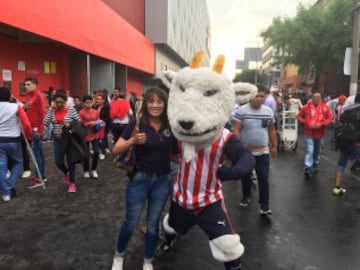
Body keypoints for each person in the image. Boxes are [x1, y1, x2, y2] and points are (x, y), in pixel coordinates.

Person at [111, 87, 178, 270]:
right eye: (151, 101)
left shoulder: (171, 126)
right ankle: (119, 256)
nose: (155, 105)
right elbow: (116, 149)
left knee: (153, 224)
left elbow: (175, 155)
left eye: (159, 102)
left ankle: (148, 260)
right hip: (139, 179)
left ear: (165, 104)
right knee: (131, 222)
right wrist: (133, 141)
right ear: (145, 103)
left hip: (163, 180)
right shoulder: (136, 122)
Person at [232, 87, 277, 214]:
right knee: (245, 176)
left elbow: (272, 129)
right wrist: (236, 148)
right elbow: (236, 129)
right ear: (251, 97)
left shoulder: (268, 111)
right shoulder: (241, 111)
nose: (259, 99)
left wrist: (274, 146)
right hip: (246, 152)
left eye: (262, 96)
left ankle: (264, 205)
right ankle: (246, 196)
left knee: (263, 177)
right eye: (256, 96)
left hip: (263, 151)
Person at [44, 90, 80, 192]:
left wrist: (70, 125)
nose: (59, 104)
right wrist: (50, 110)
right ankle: (66, 173)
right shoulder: (52, 110)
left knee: (71, 161)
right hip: (57, 139)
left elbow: (78, 123)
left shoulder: (71, 110)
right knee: (58, 161)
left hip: (69, 139)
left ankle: (72, 183)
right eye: (57, 102)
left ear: (65, 101)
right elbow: (45, 122)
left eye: (61, 102)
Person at [0, 87, 32, 201]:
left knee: (1, 167)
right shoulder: (16, 106)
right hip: (14, 140)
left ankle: (5, 193)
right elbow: (27, 124)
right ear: (10, 96)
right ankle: (9, 186)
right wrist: (28, 136)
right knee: (18, 162)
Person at [296, 92, 333, 179]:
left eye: (318, 97)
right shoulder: (306, 107)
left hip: (320, 134)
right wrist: (306, 122)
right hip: (309, 133)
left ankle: (315, 164)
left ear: (321, 98)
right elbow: (298, 116)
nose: (316, 99)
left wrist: (322, 124)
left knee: (317, 151)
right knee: (310, 150)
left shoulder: (325, 107)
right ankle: (308, 167)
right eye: (314, 97)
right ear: (312, 98)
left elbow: (330, 118)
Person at [332, 93, 360, 195]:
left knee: (341, 163)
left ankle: (337, 187)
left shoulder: (347, 109)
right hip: (356, 142)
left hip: (344, 140)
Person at [23, 77, 48, 188]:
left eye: (28, 84)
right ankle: (41, 175)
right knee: (39, 153)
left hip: (36, 130)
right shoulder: (30, 97)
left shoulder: (39, 96)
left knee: (37, 154)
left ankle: (39, 178)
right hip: (32, 129)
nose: (25, 86)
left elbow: (43, 113)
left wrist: (41, 129)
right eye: (25, 84)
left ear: (34, 85)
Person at [79, 95, 103, 179]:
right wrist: (88, 123)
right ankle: (86, 170)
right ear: (83, 103)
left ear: (92, 102)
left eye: (90, 102)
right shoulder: (81, 112)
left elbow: (99, 121)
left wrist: (100, 124)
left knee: (96, 152)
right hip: (85, 135)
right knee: (85, 154)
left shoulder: (96, 112)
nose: (88, 104)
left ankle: (93, 169)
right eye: (86, 102)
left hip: (94, 134)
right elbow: (80, 124)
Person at [96, 92, 111, 159]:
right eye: (97, 99)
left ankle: (103, 152)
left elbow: (109, 117)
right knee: (97, 138)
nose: (97, 100)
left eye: (99, 99)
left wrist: (104, 122)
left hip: (104, 125)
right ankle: (98, 150)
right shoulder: (95, 106)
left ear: (103, 100)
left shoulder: (107, 107)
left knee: (102, 138)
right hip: (96, 124)